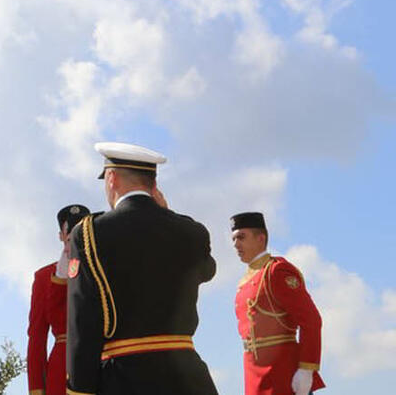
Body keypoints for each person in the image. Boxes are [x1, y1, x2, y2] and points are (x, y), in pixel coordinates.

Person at [66, 142, 218, 395]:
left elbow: (83, 317)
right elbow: (207, 270)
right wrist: (168, 216)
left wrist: (79, 389)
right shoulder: (191, 231)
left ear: (112, 178)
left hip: (125, 379)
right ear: (154, 184)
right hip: (189, 380)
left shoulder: (89, 233)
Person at [231, 212, 325, 395]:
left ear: (260, 238)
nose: (235, 244)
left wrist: (306, 369)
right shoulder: (244, 281)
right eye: (234, 239)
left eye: (241, 237)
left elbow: (311, 320)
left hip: (281, 372)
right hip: (253, 373)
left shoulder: (276, 271)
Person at [27, 204, 91, 395]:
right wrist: (37, 388)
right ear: (61, 236)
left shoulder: (103, 269)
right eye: (70, 236)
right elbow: (37, 337)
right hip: (61, 370)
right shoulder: (45, 276)